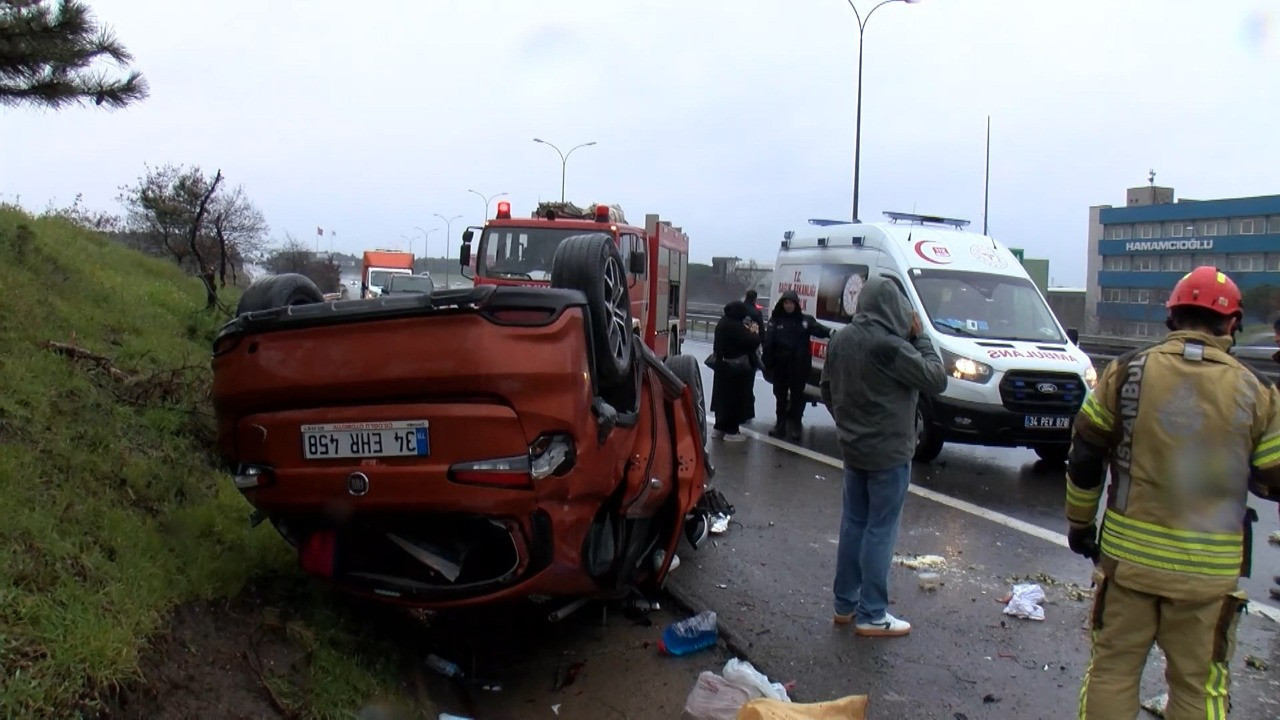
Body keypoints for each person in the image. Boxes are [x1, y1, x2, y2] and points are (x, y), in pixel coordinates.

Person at [1066, 266, 1280, 718]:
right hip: (1208, 575)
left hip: (1129, 565)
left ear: (1172, 317)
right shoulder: (1258, 391)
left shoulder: (1125, 372)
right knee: (1199, 688)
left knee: (1113, 671)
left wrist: (1080, 525)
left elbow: (1085, 454)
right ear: (1233, 323)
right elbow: (1272, 477)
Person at [821, 276, 946, 637]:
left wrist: (847, 424)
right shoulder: (890, 347)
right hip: (889, 453)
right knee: (881, 530)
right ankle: (873, 613)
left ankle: (844, 604)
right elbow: (936, 378)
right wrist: (920, 336)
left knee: (853, 524)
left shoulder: (841, 340)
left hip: (854, 449)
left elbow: (827, 389)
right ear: (894, 307)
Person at [763, 290, 831, 440]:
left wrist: (831, 332)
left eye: (791, 303)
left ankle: (796, 427)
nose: (788, 306)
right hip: (781, 367)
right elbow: (769, 343)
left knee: (797, 398)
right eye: (786, 303)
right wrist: (768, 363)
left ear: (796, 304)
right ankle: (780, 426)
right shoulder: (776, 321)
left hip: (798, 367)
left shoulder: (804, 321)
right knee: (781, 398)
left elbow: (819, 330)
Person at [710, 300, 761, 442]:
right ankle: (732, 431)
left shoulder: (722, 323)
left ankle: (719, 429)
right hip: (735, 369)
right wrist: (754, 333)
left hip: (721, 366)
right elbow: (751, 342)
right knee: (734, 400)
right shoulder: (736, 326)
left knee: (722, 400)